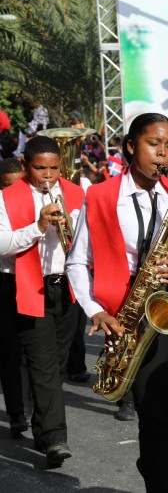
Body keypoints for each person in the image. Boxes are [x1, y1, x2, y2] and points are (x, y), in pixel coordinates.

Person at [66, 113, 168, 491]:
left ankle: (153, 461)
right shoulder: (100, 196)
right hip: (133, 307)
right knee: (155, 414)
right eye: (155, 145)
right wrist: (95, 309)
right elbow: (77, 261)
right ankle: (159, 476)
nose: (163, 155)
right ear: (132, 146)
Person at [0, 136, 85, 467]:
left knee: (58, 365)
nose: (48, 175)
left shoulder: (75, 192)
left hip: (65, 285)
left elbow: (87, 240)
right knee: (43, 363)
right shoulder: (6, 198)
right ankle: (55, 438)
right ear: (25, 165)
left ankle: (41, 426)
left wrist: (73, 226)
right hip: (25, 285)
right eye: (39, 168)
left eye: (53, 168)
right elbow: (3, 243)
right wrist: (38, 226)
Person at [0, 158, 26, 439]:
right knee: (9, 352)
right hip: (7, 280)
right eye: (8, 186)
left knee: (37, 354)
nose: (14, 191)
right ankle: (17, 413)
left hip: (38, 283)